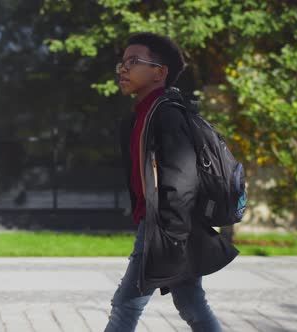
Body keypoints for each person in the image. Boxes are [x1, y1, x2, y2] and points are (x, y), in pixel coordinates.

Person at [104, 32, 239, 332]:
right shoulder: (140, 116)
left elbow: (181, 179)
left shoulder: (166, 115)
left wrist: (171, 237)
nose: (123, 69)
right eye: (122, 63)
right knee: (191, 304)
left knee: (125, 307)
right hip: (170, 227)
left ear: (159, 72)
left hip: (166, 229)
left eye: (133, 62)